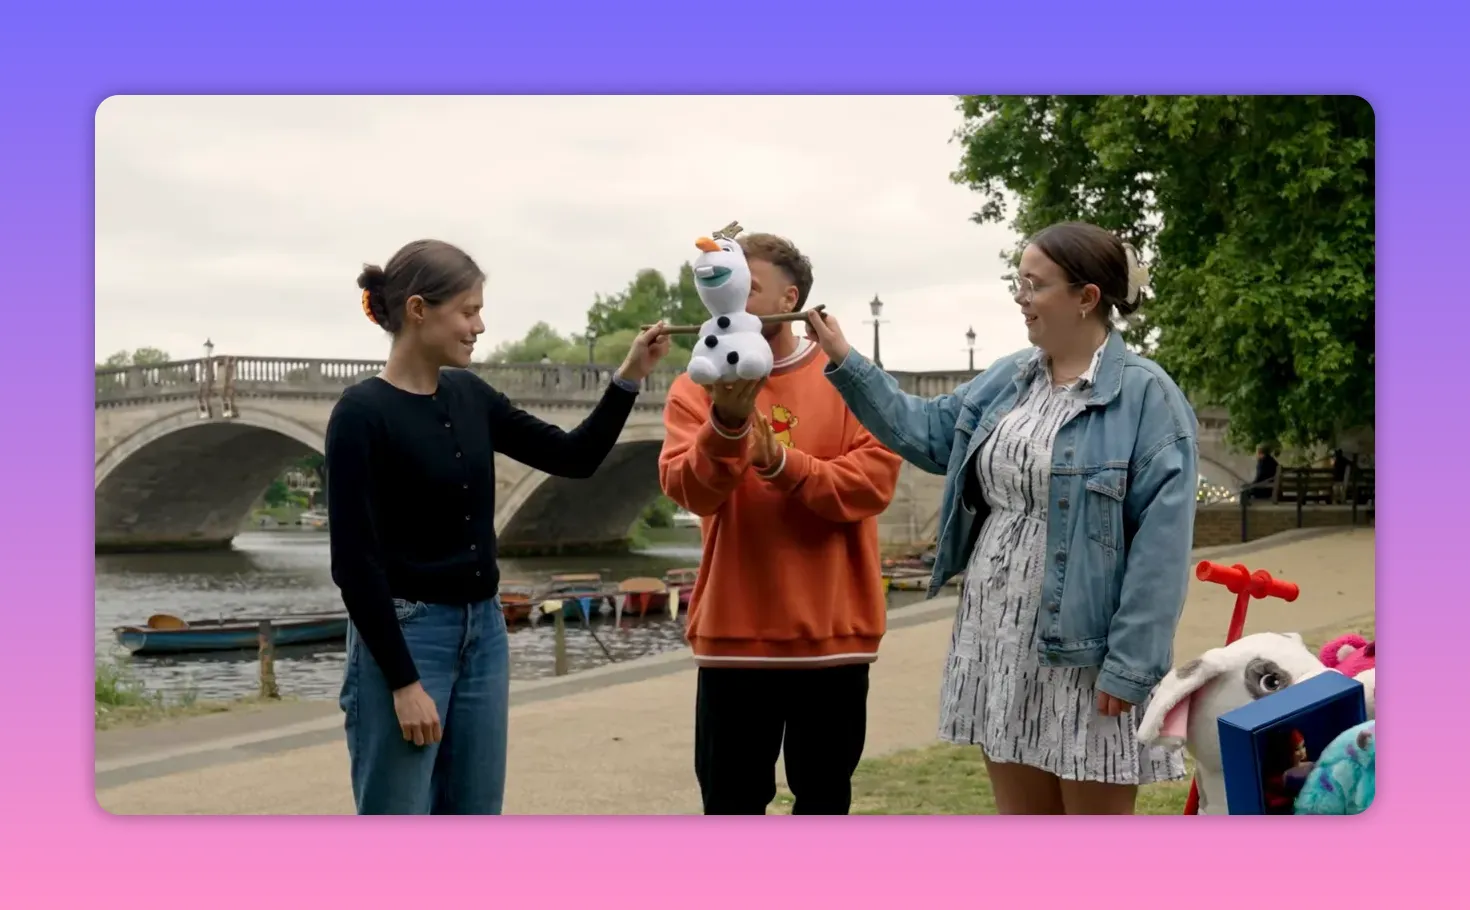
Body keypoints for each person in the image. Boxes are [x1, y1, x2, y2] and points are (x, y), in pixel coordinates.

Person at [806, 221, 1197, 815]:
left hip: (1085, 657)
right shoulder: (1011, 377)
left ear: (1086, 297)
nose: (1020, 297)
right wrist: (845, 358)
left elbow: (1161, 549)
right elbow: (930, 433)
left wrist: (1131, 665)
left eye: (1033, 285)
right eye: (1018, 282)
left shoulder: (1147, 397)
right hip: (996, 636)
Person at [325, 239, 670, 815]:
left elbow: (575, 458)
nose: (479, 326)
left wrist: (630, 376)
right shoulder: (361, 414)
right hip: (409, 639)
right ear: (418, 311)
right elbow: (355, 566)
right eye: (468, 310)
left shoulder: (469, 394)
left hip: (483, 633)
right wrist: (404, 683)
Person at [658, 232, 903, 815]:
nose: (732, 297)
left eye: (753, 285)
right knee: (730, 805)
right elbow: (690, 490)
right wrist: (727, 424)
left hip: (833, 640)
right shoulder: (698, 383)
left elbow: (873, 484)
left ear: (790, 297)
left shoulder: (851, 381)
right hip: (735, 641)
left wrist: (781, 463)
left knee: (824, 803)